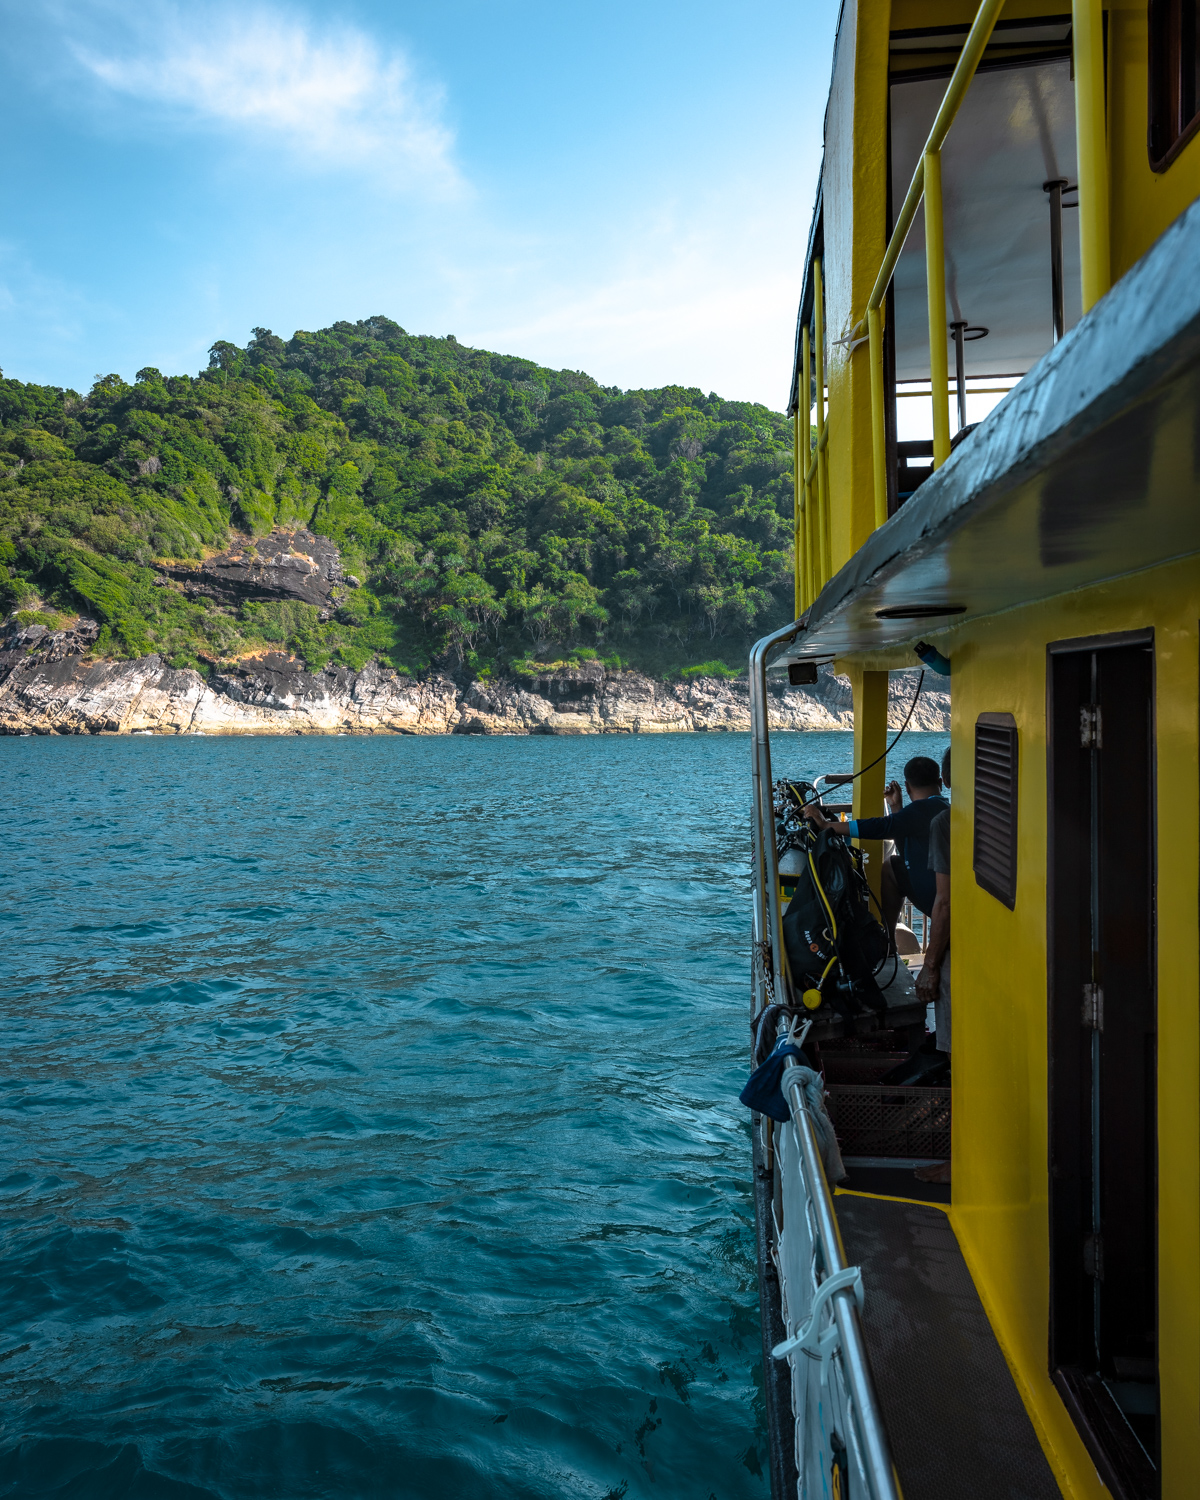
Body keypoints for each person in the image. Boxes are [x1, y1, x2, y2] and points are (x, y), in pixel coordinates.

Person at [802, 754, 949, 952]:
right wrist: (896, 807)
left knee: (890, 867)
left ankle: (888, 940)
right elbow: (905, 842)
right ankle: (888, 941)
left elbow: (881, 826)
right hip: (940, 893)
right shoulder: (940, 807)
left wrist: (828, 825)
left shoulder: (921, 810)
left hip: (938, 902)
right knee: (893, 865)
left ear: (906, 786)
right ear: (940, 782)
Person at [914, 747, 951, 1185]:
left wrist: (929, 967)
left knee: (956, 1055)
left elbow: (943, 902)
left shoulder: (945, 824)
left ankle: (957, 1161)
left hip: (961, 954)